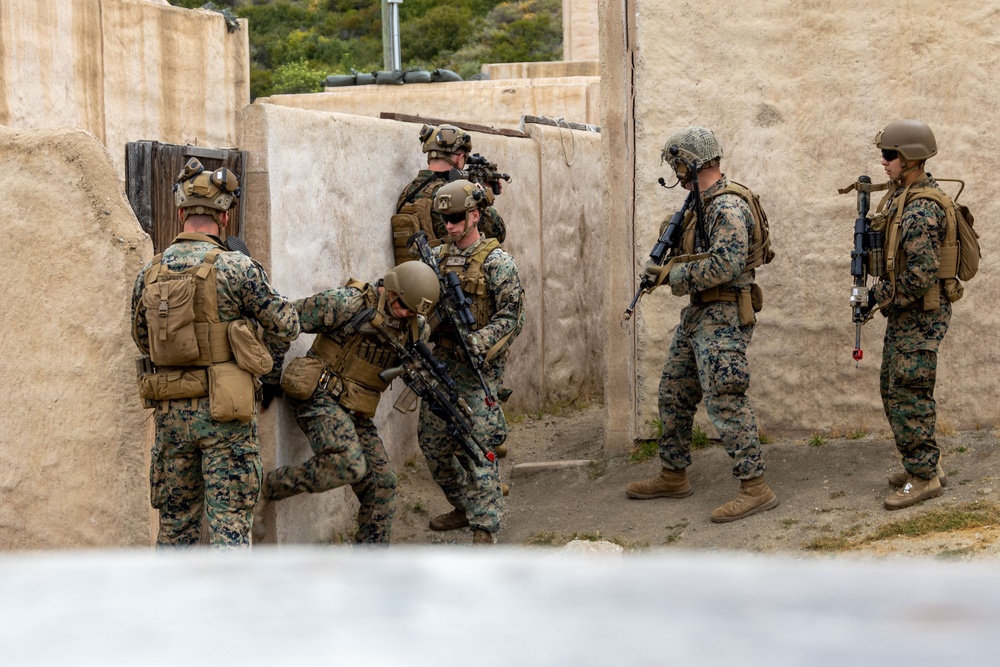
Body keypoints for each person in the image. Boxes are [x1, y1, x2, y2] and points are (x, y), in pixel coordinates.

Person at [131, 158, 300, 548]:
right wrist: (257, 356)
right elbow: (287, 324)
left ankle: (174, 608)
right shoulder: (238, 268)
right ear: (225, 217)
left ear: (180, 213)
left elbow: (142, 339)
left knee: (175, 530)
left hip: (171, 416)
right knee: (229, 531)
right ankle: (228, 609)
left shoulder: (150, 273)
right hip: (227, 414)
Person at [625, 126, 778, 523]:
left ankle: (755, 487)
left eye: (676, 163)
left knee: (725, 399)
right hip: (699, 313)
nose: (674, 171)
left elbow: (726, 264)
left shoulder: (725, 206)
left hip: (724, 314)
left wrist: (671, 275)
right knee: (674, 392)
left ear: (688, 164)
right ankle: (673, 474)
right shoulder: (700, 203)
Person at [254, 261, 440, 544]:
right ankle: (268, 486)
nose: (406, 316)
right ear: (390, 290)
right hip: (318, 395)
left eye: (414, 312)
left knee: (383, 486)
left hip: (356, 409)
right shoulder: (348, 304)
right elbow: (285, 319)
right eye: (403, 307)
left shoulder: (415, 328)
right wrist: (270, 375)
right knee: (348, 463)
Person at [418, 179, 524, 544]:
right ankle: (464, 506)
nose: (449, 226)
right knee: (432, 443)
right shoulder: (435, 257)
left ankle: (484, 528)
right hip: (442, 364)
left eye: (457, 218)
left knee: (480, 449)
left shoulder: (498, 262)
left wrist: (479, 340)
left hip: (477, 367)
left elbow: (512, 318)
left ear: (475, 215)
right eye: (444, 219)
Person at [863, 119, 951, 510]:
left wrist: (874, 297)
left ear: (910, 158)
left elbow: (919, 275)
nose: (884, 162)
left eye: (889, 155)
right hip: (907, 314)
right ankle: (925, 461)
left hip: (920, 314)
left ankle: (924, 476)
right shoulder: (905, 196)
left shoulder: (920, 209)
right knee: (895, 388)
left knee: (908, 393)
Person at [392, 124, 506, 266]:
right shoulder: (452, 194)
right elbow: (498, 232)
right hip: (449, 277)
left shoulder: (408, 192)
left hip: (415, 276)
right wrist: (481, 197)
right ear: (459, 158)